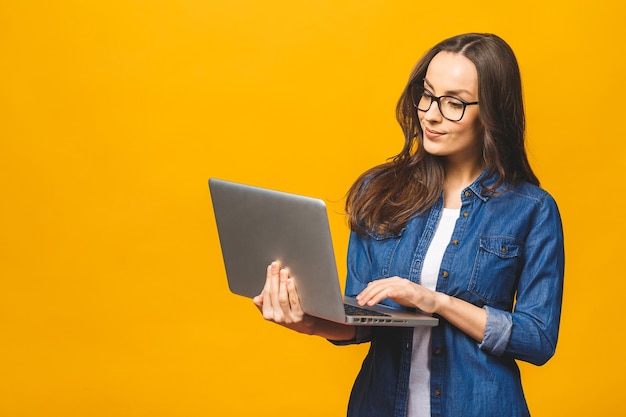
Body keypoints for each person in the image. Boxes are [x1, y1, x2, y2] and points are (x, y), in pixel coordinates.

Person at [253, 33, 564, 417]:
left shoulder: (531, 210)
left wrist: (435, 302)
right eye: (428, 94)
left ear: (493, 112)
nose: (431, 114)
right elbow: (361, 321)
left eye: (454, 103)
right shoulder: (380, 191)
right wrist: (307, 321)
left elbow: (537, 339)